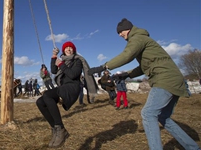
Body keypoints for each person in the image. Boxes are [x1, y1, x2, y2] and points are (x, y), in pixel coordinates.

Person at [92, 18, 200, 150]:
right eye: (118, 33)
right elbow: (143, 67)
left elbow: (127, 55)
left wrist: (104, 66)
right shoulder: (142, 40)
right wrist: (127, 74)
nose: (120, 35)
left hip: (165, 79)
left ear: (128, 29)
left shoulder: (137, 38)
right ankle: (192, 147)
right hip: (173, 79)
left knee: (148, 114)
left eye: (121, 31)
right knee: (162, 116)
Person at [36, 41, 84, 148]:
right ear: (63, 50)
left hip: (72, 88)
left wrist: (61, 65)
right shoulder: (62, 61)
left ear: (73, 50)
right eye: (66, 48)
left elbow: (72, 75)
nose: (68, 49)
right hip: (63, 87)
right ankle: (55, 129)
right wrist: (54, 56)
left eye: (70, 48)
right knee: (40, 102)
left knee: (47, 95)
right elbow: (53, 70)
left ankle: (60, 128)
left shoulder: (77, 61)